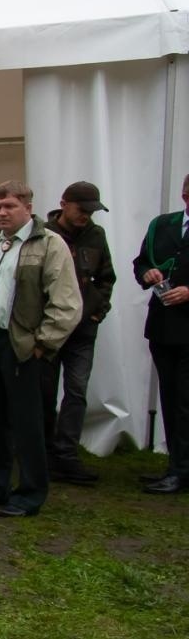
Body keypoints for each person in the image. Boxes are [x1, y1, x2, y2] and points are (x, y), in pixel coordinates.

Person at [0, 180, 82, 517]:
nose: (2, 213)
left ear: (28, 207)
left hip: (23, 343)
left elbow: (67, 303)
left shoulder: (48, 244)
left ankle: (29, 492)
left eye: (9, 206)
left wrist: (42, 344)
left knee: (26, 421)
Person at [41, 181, 116, 485]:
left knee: (76, 392)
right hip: (50, 327)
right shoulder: (44, 234)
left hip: (84, 329)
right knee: (44, 392)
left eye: (91, 210)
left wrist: (99, 309)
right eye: (82, 209)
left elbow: (107, 276)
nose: (87, 215)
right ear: (64, 204)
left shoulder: (96, 235)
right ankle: (44, 455)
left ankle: (66, 456)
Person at [135, 174, 189, 495]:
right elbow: (140, 262)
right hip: (164, 328)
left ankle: (181, 470)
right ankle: (177, 464)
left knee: (185, 400)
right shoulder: (162, 225)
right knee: (171, 397)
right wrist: (147, 273)